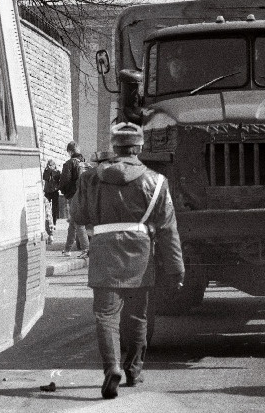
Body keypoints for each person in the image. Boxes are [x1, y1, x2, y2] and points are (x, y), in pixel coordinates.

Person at [71, 122, 184, 399]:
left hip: (104, 252)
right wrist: (176, 269)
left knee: (106, 315)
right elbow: (168, 229)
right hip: (140, 255)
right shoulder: (156, 182)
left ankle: (112, 368)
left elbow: (77, 215)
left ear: (114, 147)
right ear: (140, 147)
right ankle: (134, 371)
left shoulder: (90, 178)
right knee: (137, 316)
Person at [59, 141, 91, 257]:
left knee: (78, 223)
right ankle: (67, 249)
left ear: (70, 151)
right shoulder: (85, 164)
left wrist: (66, 193)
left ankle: (86, 249)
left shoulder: (69, 164)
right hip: (86, 196)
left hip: (74, 196)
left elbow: (64, 182)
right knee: (73, 222)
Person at [43, 159, 61, 242]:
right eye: (48, 164)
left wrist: (52, 171)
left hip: (54, 191)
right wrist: (48, 170)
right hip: (47, 191)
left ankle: (54, 222)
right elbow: (45, 178)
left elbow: (58, 180)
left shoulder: (57, 172)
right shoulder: (46, 171)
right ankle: (50, 223)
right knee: (47, 208)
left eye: (51, 165)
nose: (49, 166)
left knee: (55, 208)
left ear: (54, 165)